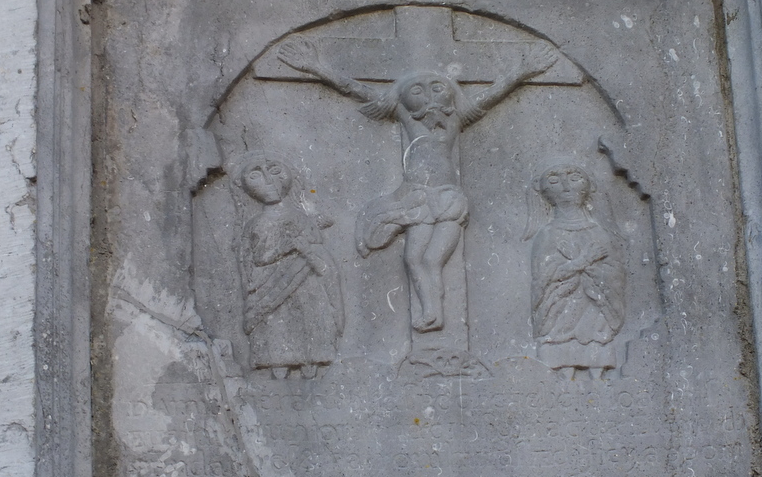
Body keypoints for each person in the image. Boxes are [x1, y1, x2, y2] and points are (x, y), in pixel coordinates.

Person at [278, 37, 553, 333]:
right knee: (412, 258)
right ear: (403, 98)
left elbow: (491, 96)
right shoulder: (405, 116)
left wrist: (522, 71)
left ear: (451, 94)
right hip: (417, 199)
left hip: (447, 199)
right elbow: (359, 91)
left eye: (437, 88)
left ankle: (435, 314)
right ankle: (430, 310)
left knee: (433, 260)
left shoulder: (456, 118)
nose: (429, 95)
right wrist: (317, 68)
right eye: (417, 90)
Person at [234, 151, 344, 372]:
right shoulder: (253, 225)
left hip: (306, 285)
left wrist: (309, 253)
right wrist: (289, 246)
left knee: (310, 331)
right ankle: (278, 372)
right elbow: (253, 261)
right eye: (256, 176)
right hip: (268, 289)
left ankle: (311, 365)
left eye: (274, 171)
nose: (268, 180)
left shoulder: (302, 218)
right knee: (275, 341)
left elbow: (320, 256)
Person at [526, 162, 626, 372]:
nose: (565, 187)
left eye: (574, 178)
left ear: (589, 186)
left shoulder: (599, 233)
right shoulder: (547, 235)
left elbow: (615, 275)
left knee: (597, 359)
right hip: (560, 318)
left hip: (595, 315)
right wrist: (581, 262)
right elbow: (543, 279)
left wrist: (591, 269)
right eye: (554, 180)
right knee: (559, 362)